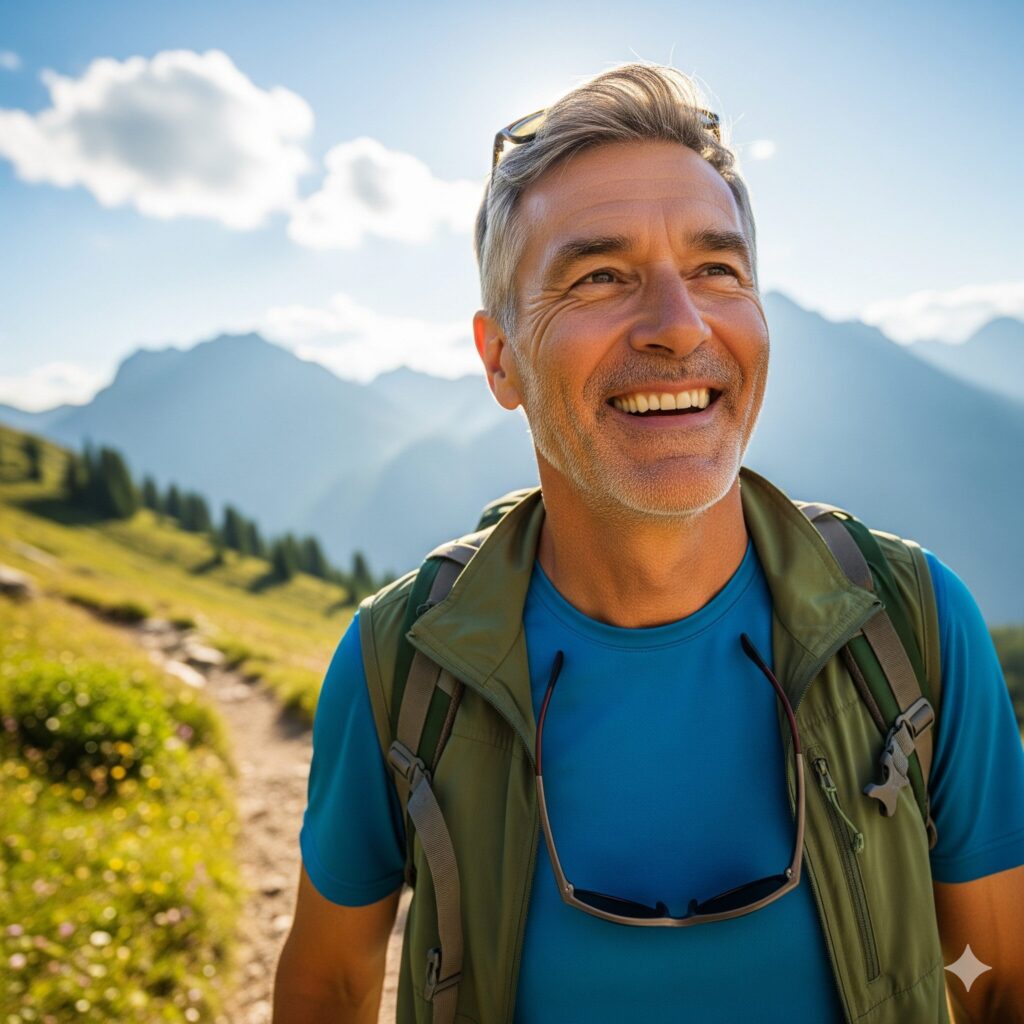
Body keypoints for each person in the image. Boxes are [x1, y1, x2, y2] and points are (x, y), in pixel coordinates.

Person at [273, 63, 1024, 1023]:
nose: (679, 324)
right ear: (500, 357)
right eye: (600, 276)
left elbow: (993, 981)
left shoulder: (915, 625)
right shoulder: (397, 661)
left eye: (717, 270)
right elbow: (331, 985)